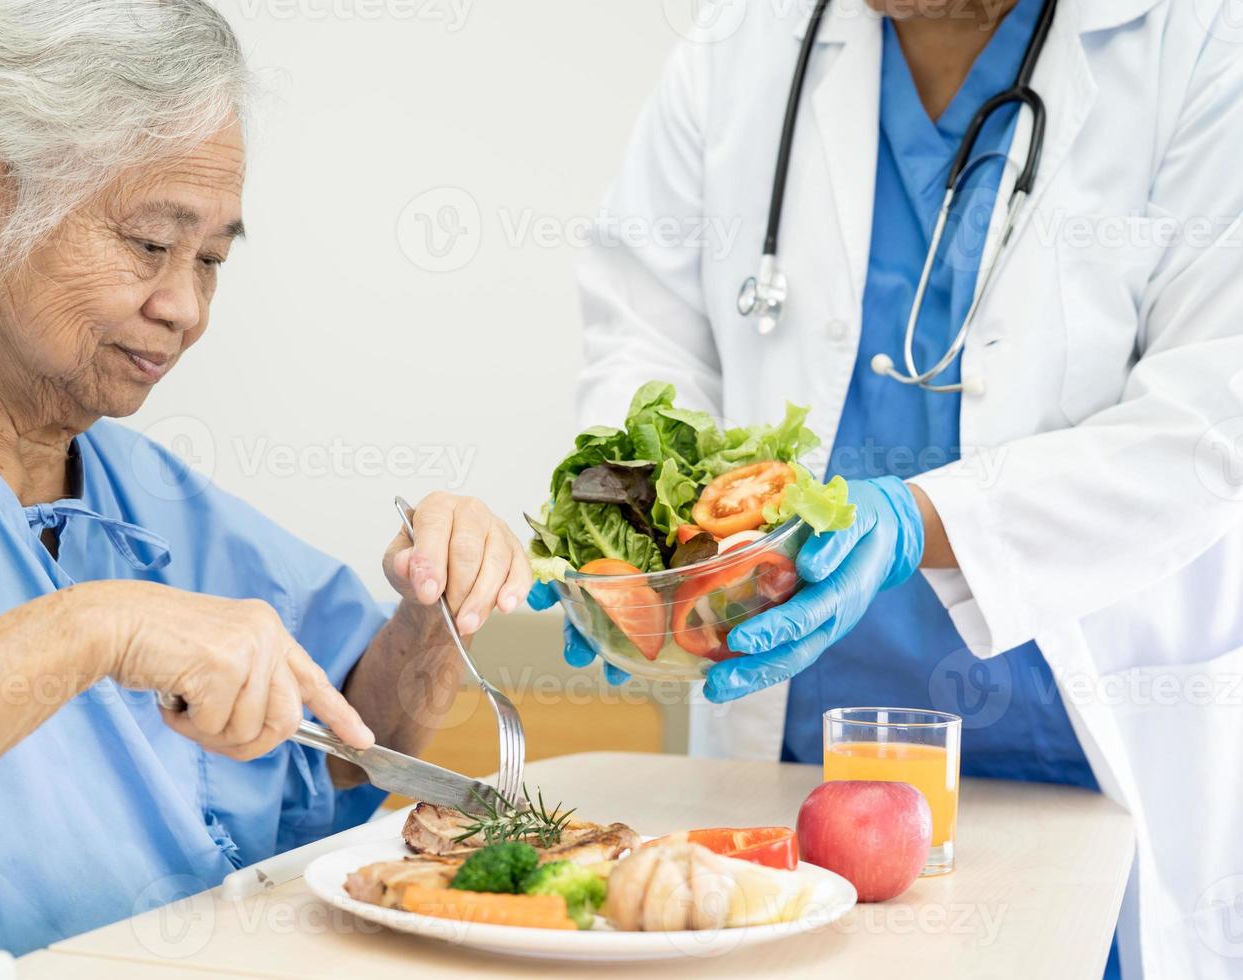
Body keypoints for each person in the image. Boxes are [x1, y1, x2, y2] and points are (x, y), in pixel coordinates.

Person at [0, 2, 531, 976]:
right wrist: (92, 629)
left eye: (211, 259)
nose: (184, 308)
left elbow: (349, 743)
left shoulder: (147, 495)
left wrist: (433, 614)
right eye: (148, 243)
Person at [530, 0, 1243, 975]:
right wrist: (636, 542)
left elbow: (1211, 418)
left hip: (1087, 762)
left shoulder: (1200, 42)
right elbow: (641, 330)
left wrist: (913, 520)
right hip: (790, 770)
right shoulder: (739, 45)